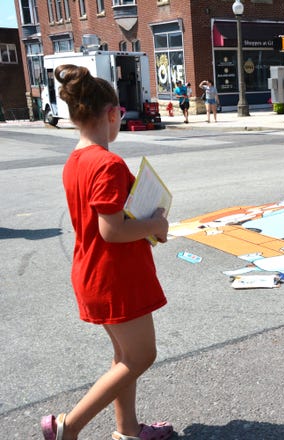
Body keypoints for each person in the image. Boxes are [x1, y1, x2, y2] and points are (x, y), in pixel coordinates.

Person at [40, 64, 173, 440]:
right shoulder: (108, 162)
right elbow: (112, 230)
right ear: (112, 114)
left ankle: (127, 431)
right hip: (115, 276)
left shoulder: (75, 160)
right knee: (141, 356)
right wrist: (155, 225)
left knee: (124, 359)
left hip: (91, 272)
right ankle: (69, 426)